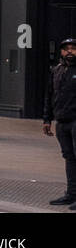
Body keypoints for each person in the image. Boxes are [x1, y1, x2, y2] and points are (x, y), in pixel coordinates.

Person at [43, 37, 76, 208]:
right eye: (66, 49)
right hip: (61, 121)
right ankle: (71, 194)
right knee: (69, 158)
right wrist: (47, 119)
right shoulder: (57, 70)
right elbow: (49, 95)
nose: (69, 51)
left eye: (73, 48)